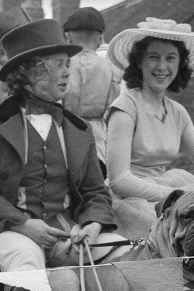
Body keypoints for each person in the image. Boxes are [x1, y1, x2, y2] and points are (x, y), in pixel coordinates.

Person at [0, 19, 130, 291]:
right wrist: (24, 224)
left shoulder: (77, 130)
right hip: (5, 229)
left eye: (67, 65)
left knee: (122, 253)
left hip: (65, 228)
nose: (67, 73)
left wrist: (92, 224)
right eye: (57, 66)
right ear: (28, 73)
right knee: (34, 262)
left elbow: (97, 193)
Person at [104, 18, 194, 240]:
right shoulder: (125, 107)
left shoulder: (177, 112)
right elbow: (119, 181)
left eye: (170, 58)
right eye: (153, 57)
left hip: (164, 193)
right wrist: (176, 195)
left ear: (180, 64)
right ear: (139, 62)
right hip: (130, 203)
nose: (162, 66)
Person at [62, 7, 120, 175]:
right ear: (100, 38)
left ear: (68, 37)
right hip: (99, 141)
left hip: (66, 136)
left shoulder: (63, 67)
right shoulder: (112, 69)